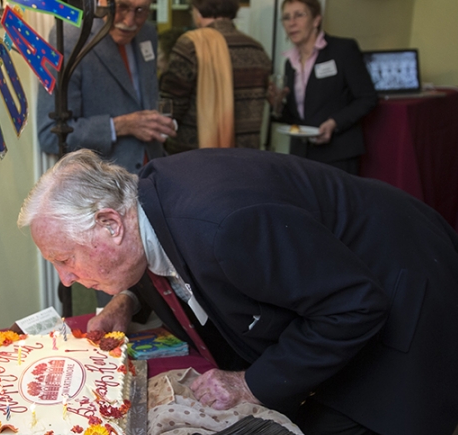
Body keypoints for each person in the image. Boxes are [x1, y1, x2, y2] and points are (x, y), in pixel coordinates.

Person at [17, 148, 458, 435]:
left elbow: (354, 307)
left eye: (65, 258)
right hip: (339, 289)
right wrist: (124, 302)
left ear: (110, 224)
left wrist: (249, 384)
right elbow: (159, 259)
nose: (65, 277)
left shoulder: (223, 226)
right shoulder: (145, 204)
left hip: (399, 293)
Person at [37, 0, 176, 308]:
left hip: (154, 186)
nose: (130, 20)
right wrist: (121, 126)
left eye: (141, 10)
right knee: (116, 307)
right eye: (123, 7)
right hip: (107, 201)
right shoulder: (69, 40)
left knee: (165, 304)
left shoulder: (148, 35)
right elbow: (50, 134)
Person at [267, 0, 377, 174]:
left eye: (299, 15)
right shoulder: (290, 63)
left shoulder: (343, 50)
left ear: (316, 20)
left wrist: (334, 123)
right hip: (301, 155)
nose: (292, 23)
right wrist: (278, 106)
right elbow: (299, 116)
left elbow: (367, 98)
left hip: (338, 152)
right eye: (286, 17)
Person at [159, 0, 271, 152]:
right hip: (247, 157)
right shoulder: (257, 49)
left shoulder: (190, 45)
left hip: (196, 156)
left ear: (198, 11)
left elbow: (170, 106)